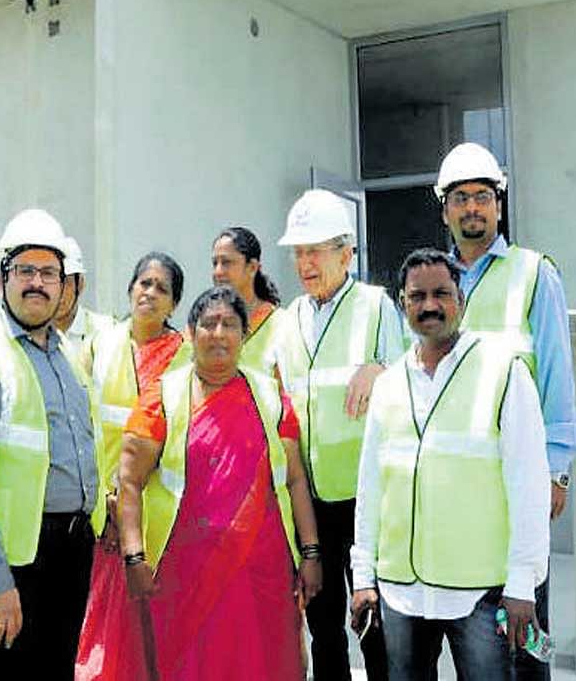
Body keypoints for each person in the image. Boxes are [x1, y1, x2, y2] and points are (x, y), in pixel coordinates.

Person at [351, 248, 550, 681]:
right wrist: (363, 574)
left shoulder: (504, 373)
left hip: (477, 593)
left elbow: (529, 484)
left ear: (460, 298)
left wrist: (522, 583)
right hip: (402, 591)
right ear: (403, 304)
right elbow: (371, 487)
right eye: (416, 296)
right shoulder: (388, 385)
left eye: (441, 293)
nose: (429, 306)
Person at [116, 285, 323, 680]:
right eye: (208, 323)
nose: (219, 332)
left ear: (245, 335)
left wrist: (310, 553)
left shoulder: (271, 396)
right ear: (191, 333)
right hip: (184, 573)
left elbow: (295, 480)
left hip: (262, 571)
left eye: (229, 323)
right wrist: (134, 557)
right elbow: (129, 480)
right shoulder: (163, 396)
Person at [434, 142, 576, 680]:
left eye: (482, 196)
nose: (471, 207)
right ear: (445, 208)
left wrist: (556, 471)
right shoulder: (435, 281)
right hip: (457, 481)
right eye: (460, 198)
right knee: (477, 632)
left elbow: (556, 378)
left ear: (498, 204)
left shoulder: (533, 274)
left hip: (521, 478)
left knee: (527, 624)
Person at [0, 209, 98, 679]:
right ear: (1, 280)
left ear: (64, 285)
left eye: (48, 272)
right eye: (24, 270)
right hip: (9, 563)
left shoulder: (68, 355)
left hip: (67, 553)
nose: (37, 282)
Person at [275, 189, 404, 681]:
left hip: (364, 498)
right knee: (322, 626)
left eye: (316, 250)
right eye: (299, 252)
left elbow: (411, 382)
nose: (305, 263)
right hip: (309, 503)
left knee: (374, 625)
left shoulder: (375, 306)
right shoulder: (289, 320)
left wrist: (381, 369)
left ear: (346, 253)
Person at [75, 252, 188, 680]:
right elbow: (79, 423)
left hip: (160, 517)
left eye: (162, 288)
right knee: (102, 633)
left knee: (156, 627)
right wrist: (98, 497)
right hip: (102, 512)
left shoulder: (185, 356)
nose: (150, 293)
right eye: (144, 283)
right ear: (130, 289)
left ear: (174, 303)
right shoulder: (100, 345)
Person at [211, 226, 283, 374]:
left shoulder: (282, 324)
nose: (218, 271)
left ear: (252, 267)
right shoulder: (205, 322)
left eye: (226, 262)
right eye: (215, 263)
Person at [53, 236, 114, 358]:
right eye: (51, 281)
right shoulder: (31, 336)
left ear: (80, 284)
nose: (57, 292)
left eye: (65, 282)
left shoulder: (106, 331)